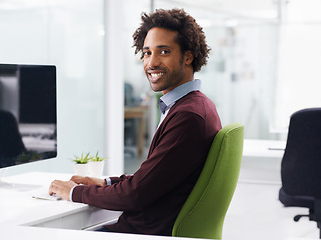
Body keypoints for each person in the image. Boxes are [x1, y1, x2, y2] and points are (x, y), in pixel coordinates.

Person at [49, 8, 222, 236]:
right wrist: (105, 183)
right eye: (147, 53)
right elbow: (155, 177)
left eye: (164, 51)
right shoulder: (195, 106)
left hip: (144, 232)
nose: (152, 62)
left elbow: (135, 194)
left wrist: (73, 192)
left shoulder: (188, 116)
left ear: (188, 56)